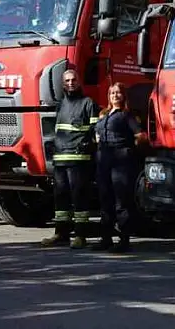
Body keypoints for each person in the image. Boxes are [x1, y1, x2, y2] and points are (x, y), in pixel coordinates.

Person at [41, 69, 100, 249]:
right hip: (60, 159)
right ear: (62, 84)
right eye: (67, 80)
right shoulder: (60, 105)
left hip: (79, 159)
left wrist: (88, 146)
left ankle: (81, 235)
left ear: (79, 82)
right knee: (61, 197)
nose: (70, 83)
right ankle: (61, 234)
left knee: (79, 196)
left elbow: (95, 131)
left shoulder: (88, 103)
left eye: (73, 79)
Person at [93, 82, 146, 252]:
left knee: (121, 201)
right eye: (112, 93)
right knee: (105, 200)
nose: (115, 95)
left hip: (121, 161)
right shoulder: (103, 115)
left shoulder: (127, 115)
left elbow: (140, 136)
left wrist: (129, 151)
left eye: (118, 93)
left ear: (123, 96)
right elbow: (96, 134)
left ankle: (123, 240)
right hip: (103, 161)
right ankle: (106, 238)